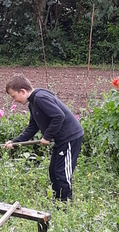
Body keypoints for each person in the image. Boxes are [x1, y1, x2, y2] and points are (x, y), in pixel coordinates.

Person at [5, 74, 84, 202]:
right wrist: (15, 142)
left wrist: (47, 137)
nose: (14, 100)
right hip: (61, 139)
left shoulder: (40, 98)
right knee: (53, 171)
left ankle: (66, 205)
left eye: (14, 96)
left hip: (70, 137)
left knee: (62, 173)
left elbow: (59, 116)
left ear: (23, 91)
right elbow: (32, 127)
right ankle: (57, 202)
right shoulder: (33, 103)